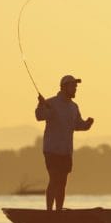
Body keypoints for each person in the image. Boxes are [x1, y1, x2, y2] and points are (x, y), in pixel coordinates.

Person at [35, 74, 94, 210]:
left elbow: (78, 125)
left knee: (62, 183)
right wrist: (41, 104)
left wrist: (87, 124)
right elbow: (39, 116)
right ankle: (49, 211)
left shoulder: (74, 107)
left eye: (75, 87)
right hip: (52, 150)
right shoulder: (52, 103)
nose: (75, 89)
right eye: (73, 86)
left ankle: (58, 211)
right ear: (64, 87)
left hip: (66, 151)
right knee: (54, 180)